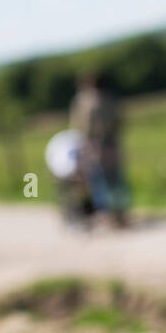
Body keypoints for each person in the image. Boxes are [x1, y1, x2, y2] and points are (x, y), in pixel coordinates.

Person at [69, 68, 131, 228]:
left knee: (99, 181)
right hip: (113, 143)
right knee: (117, 180)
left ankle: (109, 215)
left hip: (95, 145)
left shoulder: (85, 101)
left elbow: (82, 126)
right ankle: (121, 214)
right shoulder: (111, 99)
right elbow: (120, 121)